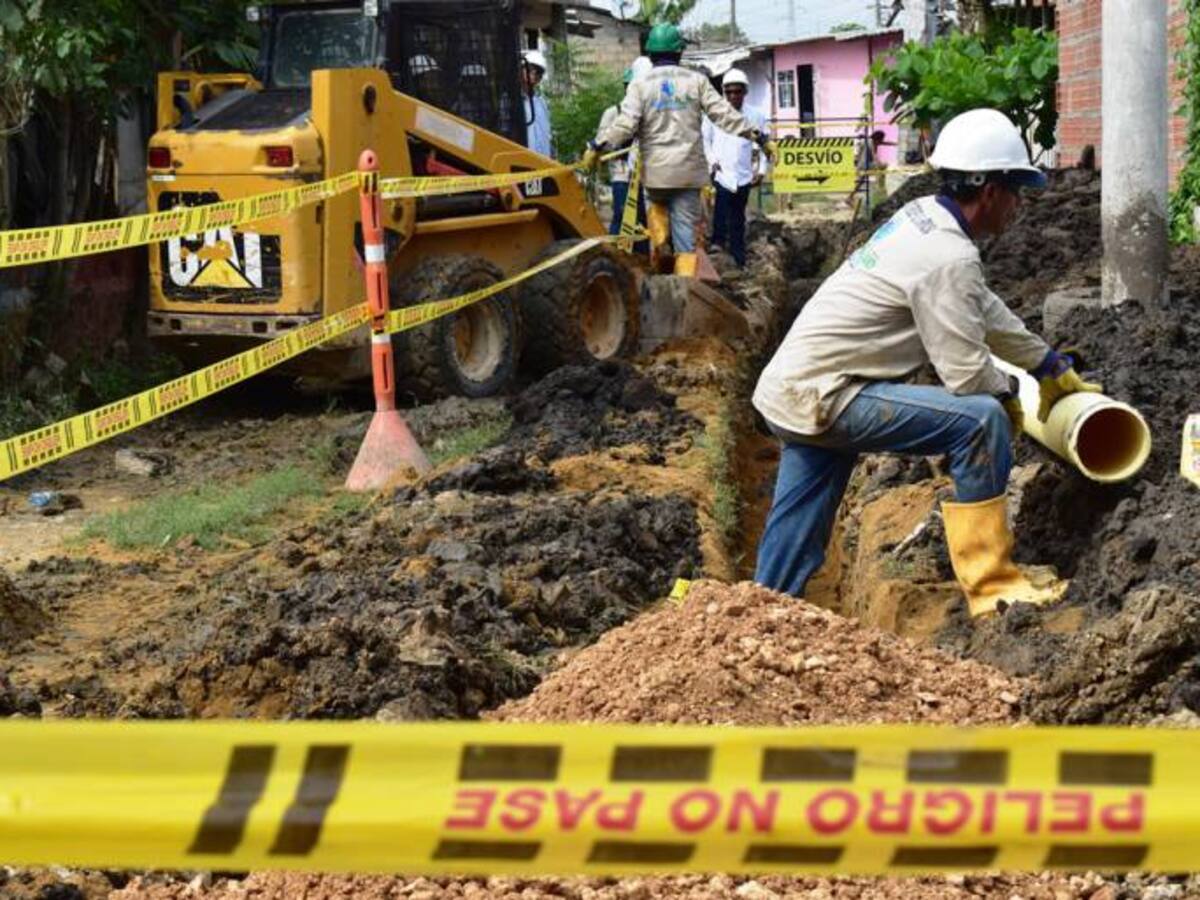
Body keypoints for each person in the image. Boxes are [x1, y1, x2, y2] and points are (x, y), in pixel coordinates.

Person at [751, 108, 1101, 617]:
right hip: (827, 396)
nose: (1018, 207)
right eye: (1017, 193)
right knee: (980, 421)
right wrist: (1008, 394)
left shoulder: (923, 219)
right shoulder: (949, 256)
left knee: (800, 517)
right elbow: (964, 374)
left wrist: (1046, 363)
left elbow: (981, 307)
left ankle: (762, 611)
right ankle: (992, 584)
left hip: (796, 390)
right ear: (990, 192)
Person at [583, 23, 776, 276]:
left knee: (657, 220)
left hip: (655, 175)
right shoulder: (696, 81)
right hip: (687, 173)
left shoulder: (640, 85)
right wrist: (759, 137)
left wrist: (597, 147)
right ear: (679, 52)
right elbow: (725, 115)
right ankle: (684, 286)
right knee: (685, 241)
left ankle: (661, 250)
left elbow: (625, 125)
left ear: (651, 53)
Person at [702, 67, 768, 268]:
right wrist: (712, 162)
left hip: (743, 173)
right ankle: (717, 245)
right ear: (724, 92)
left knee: (738, 216)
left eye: (737, 91)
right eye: (729, 92)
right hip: (721, 172)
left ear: (745, 92)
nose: (733, 96)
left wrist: (762, 170)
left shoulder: (755, 116)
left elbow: (764, 144)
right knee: (721, 210)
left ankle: (739, 258)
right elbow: (706, 141)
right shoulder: (714, 115)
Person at [596, 59, 650, 241]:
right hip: (621, 174)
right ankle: (616, 254)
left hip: (644, 175)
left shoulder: (648, 113)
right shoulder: (613, 113)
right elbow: (602, 143)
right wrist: (621, 140)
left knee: (642, 220)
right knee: (621, 216)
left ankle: (641, 258)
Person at [521, 49, 553, 158]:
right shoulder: (513, 102)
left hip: (543, 163)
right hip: (523, 162)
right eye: (530, 69)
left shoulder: (541, 102)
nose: (534, 74)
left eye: (538, 71)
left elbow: (547, 134)